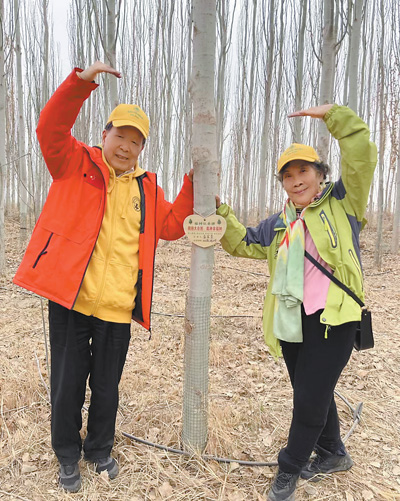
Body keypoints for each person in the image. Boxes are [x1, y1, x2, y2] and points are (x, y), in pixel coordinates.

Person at [13, 61, 194, 493]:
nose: (126, 147)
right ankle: (66, 455)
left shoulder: (148, 189)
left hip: (116, 306)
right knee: (68, 382)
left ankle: (98, 450)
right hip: (72, 300)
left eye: (136, 141)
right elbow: (49, 128)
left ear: (142, 148)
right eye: (120, 136)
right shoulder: (75, 163)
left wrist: (193, 185)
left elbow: (170, 226)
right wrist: (81, 82)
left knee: (107, 387)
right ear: (104, 135)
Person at [216, 104, 377, 501]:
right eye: (288, 175)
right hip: (293, 319)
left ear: (321, 175)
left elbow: (360, 154)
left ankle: (290, 467)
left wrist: (334, 117)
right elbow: (241, 242)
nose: (296, 179)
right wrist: (218, 209)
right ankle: (333, 452)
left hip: (335, 318)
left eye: (304, 170)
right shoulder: (278, 223)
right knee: (311, 391)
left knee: (309, 396)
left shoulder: (344, 204)